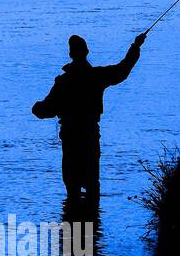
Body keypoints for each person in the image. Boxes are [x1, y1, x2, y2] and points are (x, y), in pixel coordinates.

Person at [32, 32, 146, 198]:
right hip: (90, 136)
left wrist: (36, 108)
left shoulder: (63, 82)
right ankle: (93, 220)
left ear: (71, 54)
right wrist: (135, 46)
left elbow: (46, 109)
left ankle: (73, 220)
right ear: (87, 52)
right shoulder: (97, 76)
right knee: (92, 183)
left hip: (71, 138)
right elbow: (123, 69)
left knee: (72, 186)